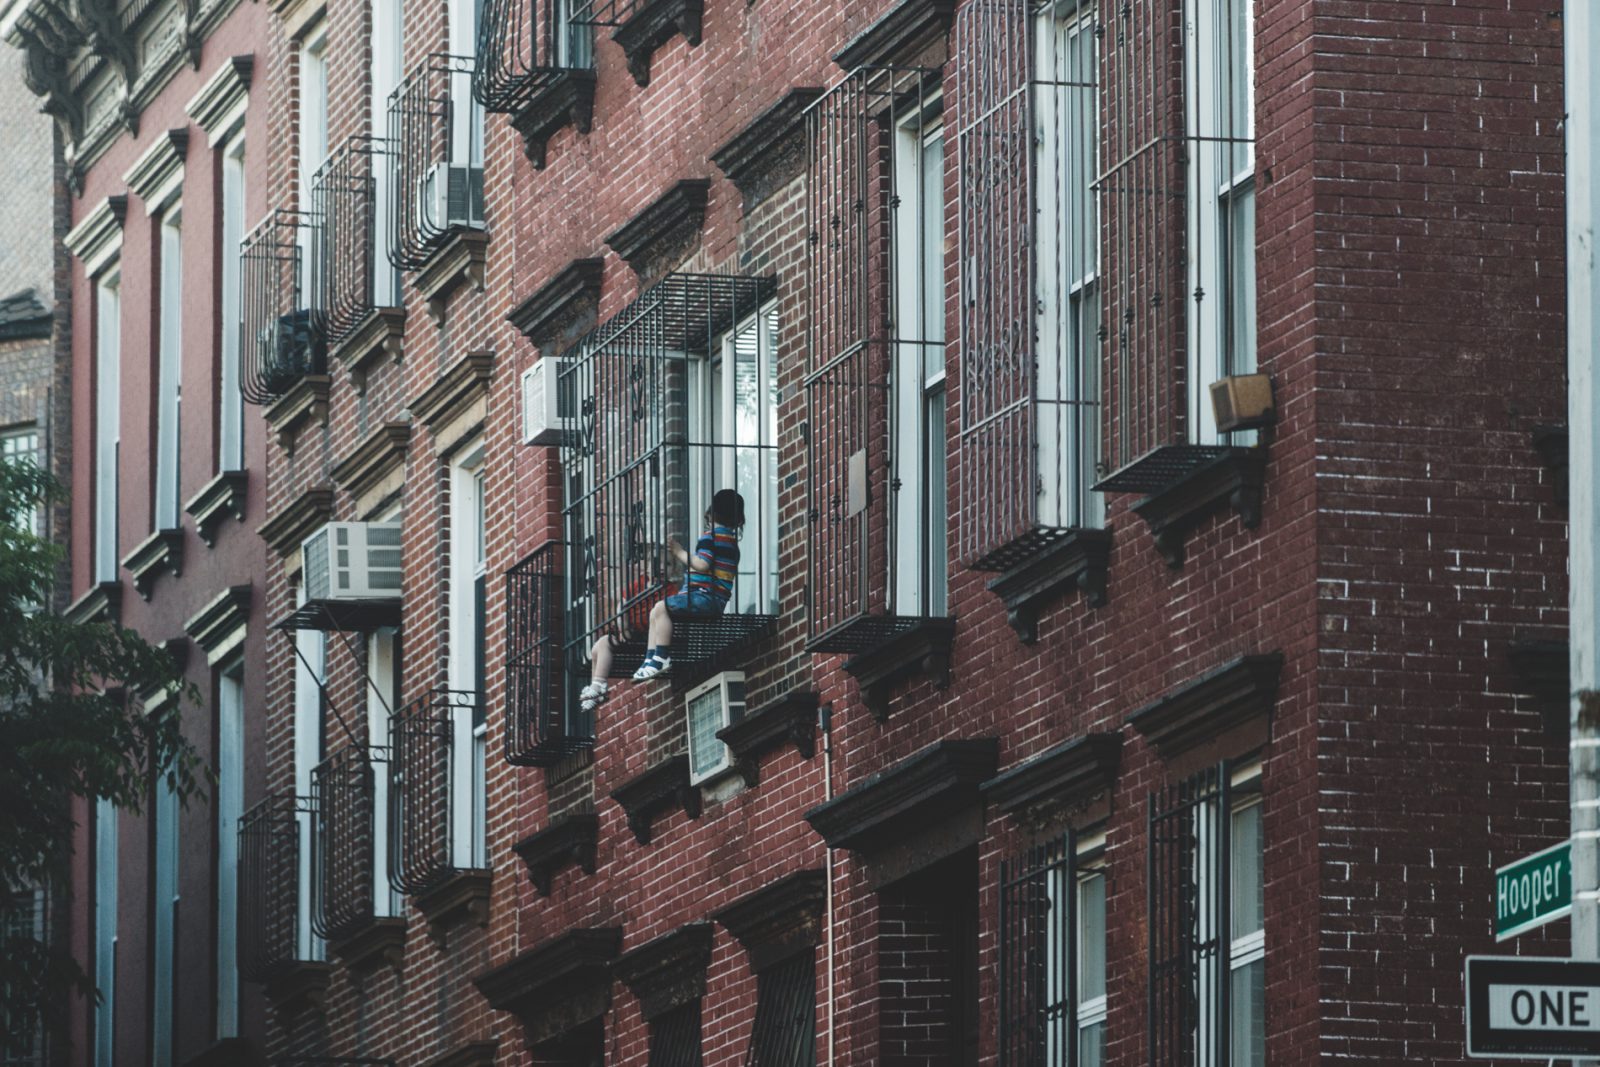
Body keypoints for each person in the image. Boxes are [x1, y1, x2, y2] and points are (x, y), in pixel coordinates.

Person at [579, 489, 744, 711]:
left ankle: (659, 657)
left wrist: (680, 552)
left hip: (704, 597)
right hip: (714, 599)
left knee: (660, 609)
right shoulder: (731, 543)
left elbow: (702, 565)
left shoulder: (710, 538)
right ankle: (650, 660)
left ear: (712, 514)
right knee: (658, 610)